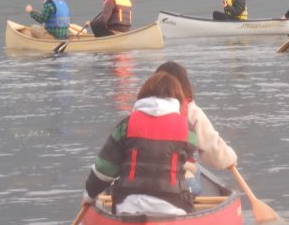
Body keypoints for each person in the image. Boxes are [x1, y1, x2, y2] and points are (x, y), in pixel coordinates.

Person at [82, 72, 197, 215]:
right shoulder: (188, 129)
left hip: (128, 206)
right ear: (177, 98)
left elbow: (104, 169)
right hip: (174, 206)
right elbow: (188, 154)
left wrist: (89, 196)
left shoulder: (126, 124)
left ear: (144, 93)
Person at [155, 61, 238, 195]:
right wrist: (229, 160)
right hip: (180, 180)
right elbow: (212, 149)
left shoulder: (141, 110)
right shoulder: (191, 111)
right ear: (184, 84)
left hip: (140, 180)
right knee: (193, 171)